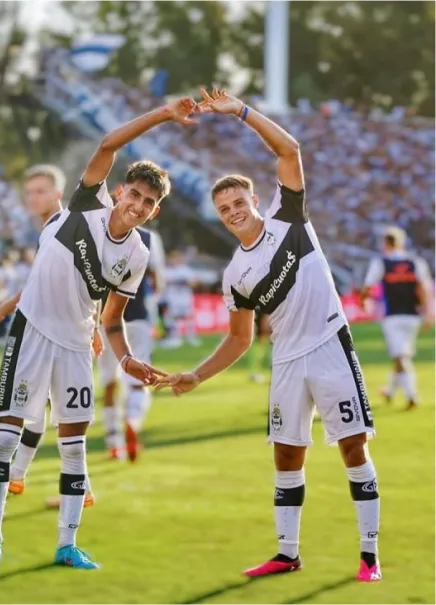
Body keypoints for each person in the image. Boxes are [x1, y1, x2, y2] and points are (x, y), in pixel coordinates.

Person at [159, 88, 382, 583]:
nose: (233, 210)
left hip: (328, 345)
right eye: (224, 208)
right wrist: (197, 374)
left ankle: (369, 555)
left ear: (255, 200)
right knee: (286, 455)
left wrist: (239, 111)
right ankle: (287, 553)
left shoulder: (289, 218)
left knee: (352, 447)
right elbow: (239, 340)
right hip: (286, 361)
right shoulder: (235, 273)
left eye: (239, 201)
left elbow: (289, 151)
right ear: (220, 216)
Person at [0, 97, 199, 571]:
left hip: (77, 346)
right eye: (134, 195)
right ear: (120, 192)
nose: (137, 206)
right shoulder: (87, 203)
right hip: (32, 333)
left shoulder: (136, 254)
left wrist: (127, 358)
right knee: (3, 440)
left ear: (154, 212)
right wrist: (162, 114)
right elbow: (108, 143)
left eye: (148, 203)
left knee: (74, 448)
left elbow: (113, 315)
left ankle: (66, 544)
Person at [0, 164, 95, 508]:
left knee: (41, 406)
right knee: (44, 405)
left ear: (58, 193)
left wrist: (0, 311)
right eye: (29, 192)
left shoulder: (64, 225)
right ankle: (24, 476)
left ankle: (37, 478)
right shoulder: (51, 229)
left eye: (41, 191)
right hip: (64, 329)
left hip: (57, 332)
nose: (34, 198)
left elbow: (92, 276)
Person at [99, 226, 166, 462]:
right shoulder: (148, 237)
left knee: (109, 381)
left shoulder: (101, 233)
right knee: (138, 379)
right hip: (137, 314)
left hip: (105, 317)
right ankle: (133, 421)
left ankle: (113, 442)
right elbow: (157, 280)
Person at [359, 226, 432, 409]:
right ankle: (390, 392)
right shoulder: (415, 262)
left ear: (385, 243)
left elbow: (368, 286)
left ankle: (411, 396)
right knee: (401, 354)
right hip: (413, 316)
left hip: (392, 316)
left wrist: (363, 301)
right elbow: (424, 289)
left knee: (401, 355)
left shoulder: (381, 262)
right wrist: (427, 313)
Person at [159, 250, 198, 347]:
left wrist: (188, 282)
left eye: (175, 258)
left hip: (185, 298)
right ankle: (175, 338)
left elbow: (195, 282)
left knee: (189, 317)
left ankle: (191, 338)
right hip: (172, 299)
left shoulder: (185, 270)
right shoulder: (166, 271)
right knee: (172, 318)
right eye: (171, 259)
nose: (173, 261)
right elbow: (161, 282)